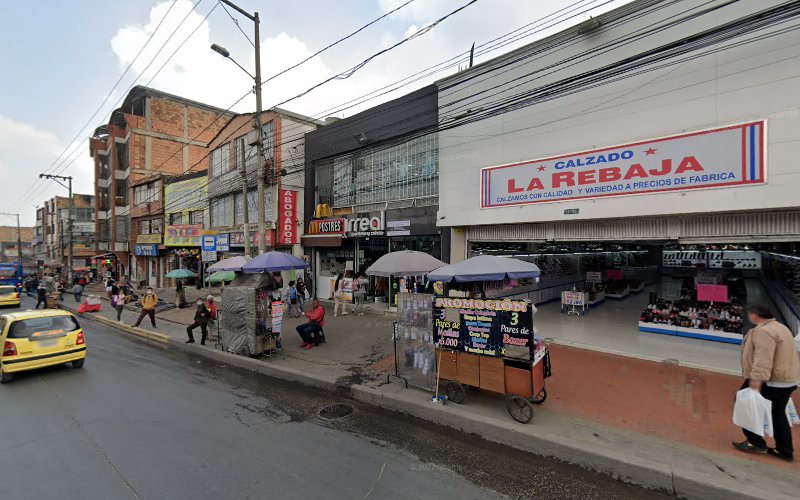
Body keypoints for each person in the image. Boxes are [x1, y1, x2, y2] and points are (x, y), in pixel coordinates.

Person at [732, 305, 800, 462]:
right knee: (778, 414)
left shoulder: (764, 332)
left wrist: (756, 380)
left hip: (769, 379)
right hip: (786, 379)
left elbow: (763, 358)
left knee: (745, 404)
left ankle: (755, 442)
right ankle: (784, 450)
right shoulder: (780, 327)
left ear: (755, 315)